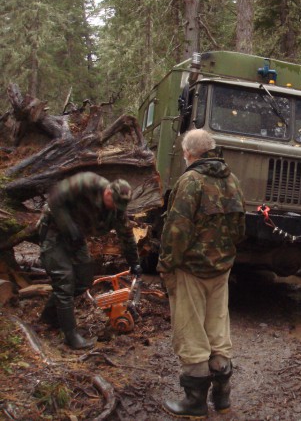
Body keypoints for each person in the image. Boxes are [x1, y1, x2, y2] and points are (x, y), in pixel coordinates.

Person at [158, 129, 245, 419]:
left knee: (191, 333)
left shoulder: (190, 181)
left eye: (183, 152)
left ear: (188, 153)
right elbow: (240, 230)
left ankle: (194, 403)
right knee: (218, 331)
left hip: (191, 270)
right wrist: (224, 256)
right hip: (221, 270)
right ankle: (222, 400)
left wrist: (166, 265)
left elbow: (176, 229)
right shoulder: (232, 181)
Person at [38, 172, 142, 349]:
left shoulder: (116, 210)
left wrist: (135, 262)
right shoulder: (87, 183)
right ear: (108, 192)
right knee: (64, 280)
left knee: (84, 279)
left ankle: (49, 318)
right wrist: (68, 226)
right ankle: (70, 336)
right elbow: (55, 198)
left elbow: (126, 235)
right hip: (54, 232)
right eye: (113, 203)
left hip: (77, 238)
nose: (115, 208)